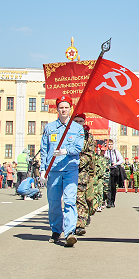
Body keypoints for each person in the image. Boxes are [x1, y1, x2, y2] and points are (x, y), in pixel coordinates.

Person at [40, 95, 85, 247]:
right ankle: (55, 231)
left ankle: (70, 232)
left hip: (70, 169)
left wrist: (66, 150)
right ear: (57, 109)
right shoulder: (49, 128)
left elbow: (79, 147)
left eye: (66, 107)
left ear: (70, 109)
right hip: (54, 170)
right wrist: (42, 171)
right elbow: (44, 149)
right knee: (53, 203)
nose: (63, 110)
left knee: (70, 201)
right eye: (61, 107)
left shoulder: (77, 128)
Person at [73, 114, 96, 236]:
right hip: (67, 170)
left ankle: (80, 224)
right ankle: (70, 222)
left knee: (82, 198)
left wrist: (78, 162)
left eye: (80, 121)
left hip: (82, 172)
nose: (78, 123)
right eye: (75, 121)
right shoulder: (67, 134)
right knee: (70, 198)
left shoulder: (88, 137)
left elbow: (90, 154)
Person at [104, 139, 124, 207]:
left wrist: (116, 163)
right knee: (108, 186)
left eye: (111, 144)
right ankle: (108, 202)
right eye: (109, 144)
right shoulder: (105, 152)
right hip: (108, 170)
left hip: (114, 170)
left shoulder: (115, 152)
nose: (110, 146)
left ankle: (113, 201)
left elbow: (121, 160)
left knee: (113, 186)